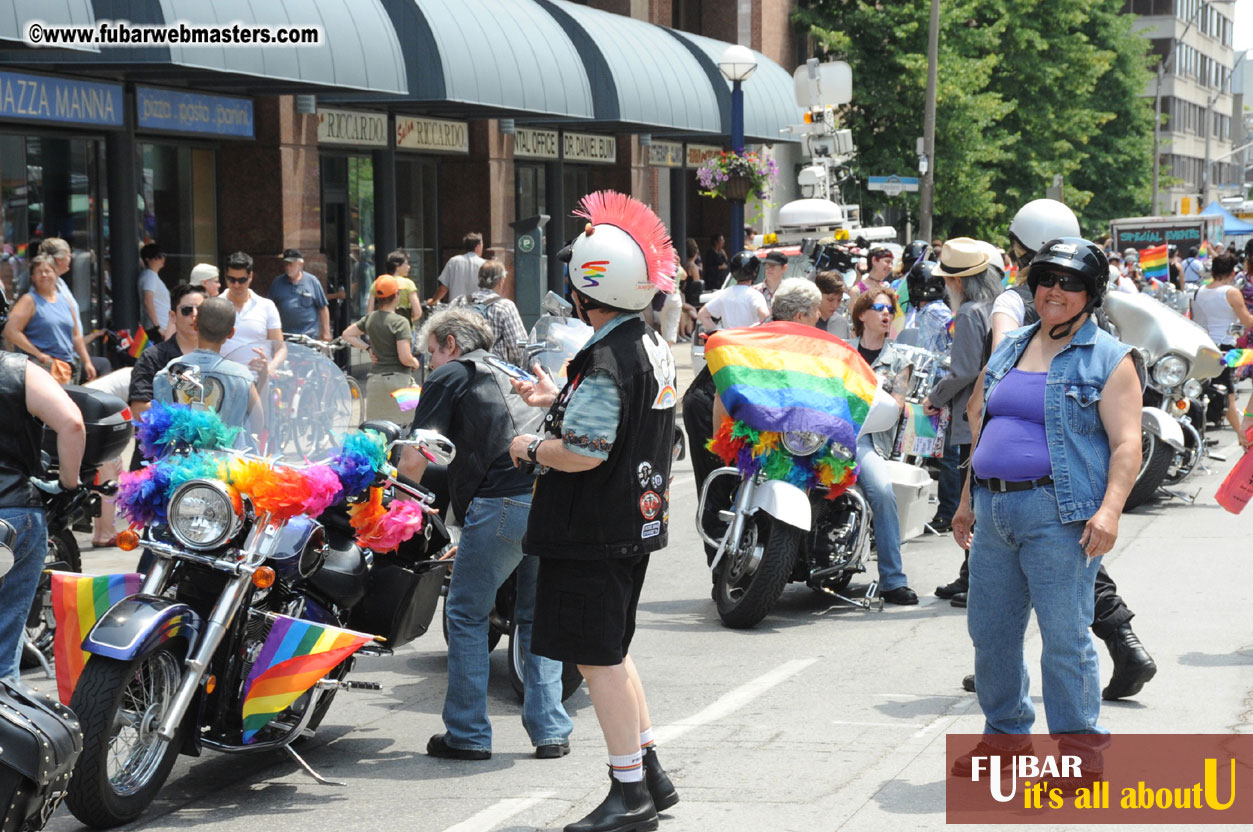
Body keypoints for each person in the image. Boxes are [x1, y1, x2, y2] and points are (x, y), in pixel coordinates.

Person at [508, 191, 679, 832]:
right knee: (611, 649)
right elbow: (620, 417)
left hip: (592, 527)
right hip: (630, 521)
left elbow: (582, 453)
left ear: (587, 289)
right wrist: (559, 395)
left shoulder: (605, 359)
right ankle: (649, 769)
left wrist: (530, 445)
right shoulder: (646, 343)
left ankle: (628, 792)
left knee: (597, 657)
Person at [951, 237, 1141, 757]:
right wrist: (967, 499)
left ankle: (1080, 752)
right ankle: (1006, 740)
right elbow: (982, 422)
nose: (1055, 290)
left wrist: (1109, 511)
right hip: (993, 510)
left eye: (1070, 283)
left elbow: (1128, 442)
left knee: (1064, 638)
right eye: (1046, 280)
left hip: (1059, 514)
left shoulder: (1109, 358)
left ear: (1091, 293)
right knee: (990, 634)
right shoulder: (1011, 345)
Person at [396, 307, 573, 762]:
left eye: (429, 354)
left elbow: (418, 456)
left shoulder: (450, 374)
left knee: (466, 613)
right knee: (536, 618)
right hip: (550, 498)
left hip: (503, 503)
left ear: (450, 344)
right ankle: (550, 730)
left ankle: (468, 733)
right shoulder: (506, 368)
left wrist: (394, 504)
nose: (428, 364)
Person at [0, 353, 85, 681]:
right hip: (13, 511)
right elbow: (73, 424)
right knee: (4, 649)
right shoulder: (17, 370)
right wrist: (68, 486)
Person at [922, 239, 1001, 537]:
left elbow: (964, 370)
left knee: (971, 503)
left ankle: (971, 576)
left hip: (975, 416)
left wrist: (935, 397)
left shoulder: (969, 311)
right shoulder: (1001, 304)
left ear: (957, 281)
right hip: (1000, 410)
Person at [847, 289, 917, 605]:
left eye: (890, 309)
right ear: (862, 315)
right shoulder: (841, 352)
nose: (887, 314)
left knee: (883, 492)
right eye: (879, 308)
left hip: (866, 439)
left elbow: (896, 405)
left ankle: (892, 579)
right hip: (826, 434)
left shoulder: (900, 362)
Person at [154, 296, 263, 436]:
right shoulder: (242, 376)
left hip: (177, 456)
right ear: (231, 333)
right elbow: (258, 425)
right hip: (225, 457)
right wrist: (264, 378)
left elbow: (157, 425)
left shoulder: (169, 370)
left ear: (195, 325)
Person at [126, 284, 205, 469]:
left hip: (201, 461)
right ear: (172, 316)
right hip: (157, 460)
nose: (194, 315)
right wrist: (190, 419)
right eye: (186, 310)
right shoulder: (152, 357)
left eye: (200, 310)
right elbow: (139, 409)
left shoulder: (214, 359)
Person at [3, 254, 96, 383]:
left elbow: (76, 336)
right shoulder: (29, 300)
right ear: (33, 277)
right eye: (39, 272)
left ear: (55, 274)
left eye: (48, 271)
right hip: (43, 368)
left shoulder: (65, 300)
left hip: (68, 367)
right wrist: (38, 354)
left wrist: (87, 362)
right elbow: (11, 330)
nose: (44, 275)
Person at [1191, 253, 1253, 444]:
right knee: (1228, 394)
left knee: (1203, 392)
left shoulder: (1198, 291)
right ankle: (1243, 437)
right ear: (1233, 272)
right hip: (1225, 349)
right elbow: (1248, 322)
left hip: (1201, 347)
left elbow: (1194, 319)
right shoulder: (1231, 292)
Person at [342, 276, 421, 424]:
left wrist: (368, 348)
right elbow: (404, 357)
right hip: (399, 383)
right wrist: (415, 362)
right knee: (404, 428)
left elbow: (347, 334)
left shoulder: (370, 318)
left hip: (375, 381)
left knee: (376, 430)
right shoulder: (400, 322)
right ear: (396, 295)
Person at [219, 251, 286, 381]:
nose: (236, 285)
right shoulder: (215, 305)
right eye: (231, 279)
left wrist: (270, 368)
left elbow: (281, 348)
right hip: (225, 382)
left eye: (242, 280)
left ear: (251, 276)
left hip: (258, 381)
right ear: (225, 276)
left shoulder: (266, 306)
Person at [458, 260, 526, 365]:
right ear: (500, 281)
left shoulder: (459, 302)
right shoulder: (505, 306)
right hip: (493, 370)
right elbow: (519, 348)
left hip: (463, 367)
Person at [697, 251, 769, 332]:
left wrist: (719, 332)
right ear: (754, 272)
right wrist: (753, 330)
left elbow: (702, 314)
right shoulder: (755, 295)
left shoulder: (724, 294)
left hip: (728, 342)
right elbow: (765, 315)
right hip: (749, 342)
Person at [269, 249, 331, 341]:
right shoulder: (277, 283)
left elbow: (323, 307)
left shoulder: (312, 281)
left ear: (300, 264)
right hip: (285, 336)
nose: (288, 267)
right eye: (286, 264)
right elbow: (269, 309)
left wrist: (326, 331)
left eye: (291, 264)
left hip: (308, 337)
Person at [428, 233, 485, 307]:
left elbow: (444, 288)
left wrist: (433, 301)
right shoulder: (485, 264)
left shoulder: (453, 261)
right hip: (477, 310)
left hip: (456, 310)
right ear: (478, 246)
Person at [367, 249, 421, 323]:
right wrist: (408, 320)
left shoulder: (377, 283)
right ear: (397, 266)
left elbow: (369, 312)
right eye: (406, 264)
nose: (409, 267)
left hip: (381, 327)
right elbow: (417, 313)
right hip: (403, 328)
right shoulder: (408, 284)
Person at [138, 243, 171, 343]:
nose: (161, 260)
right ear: (148, 259)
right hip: (157, 328)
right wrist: (157, 327)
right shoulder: (150, 276)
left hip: (160, 326)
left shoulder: (152, 276)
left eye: (162, 256)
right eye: (157, 257)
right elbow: (148, 301)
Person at [815, 271, 849, 338]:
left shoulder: (842, 323)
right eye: (830, 300)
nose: (835, 305)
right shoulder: (805, 321)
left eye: (839, 300)